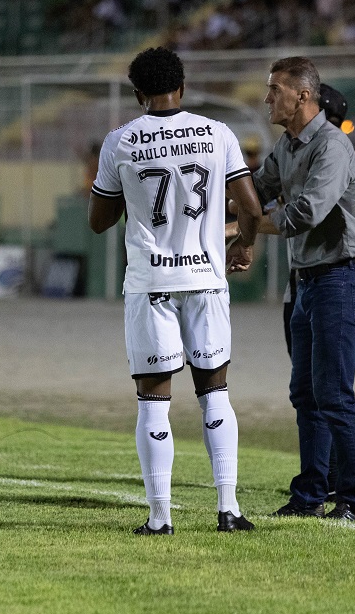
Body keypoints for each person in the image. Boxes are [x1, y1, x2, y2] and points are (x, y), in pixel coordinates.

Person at [89, 47, 263, 535]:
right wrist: (243, 248)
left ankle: (160, 516)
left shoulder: (120, 141)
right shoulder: (218, 133)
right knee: (215, 391)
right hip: (206, 280)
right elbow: (249, 210)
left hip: (151, 284)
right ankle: (228, 509)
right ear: (182, 87)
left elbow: (99, 222)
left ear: (139, 94)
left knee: (153, 400)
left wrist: (129, 193)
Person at [226, 82, 355, 502]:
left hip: (340, 278)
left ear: (303, 96)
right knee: (306, 394)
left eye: (275, 90)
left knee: (333, 395)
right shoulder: (288, 146)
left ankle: (351, 499)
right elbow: (255, 192)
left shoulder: (332, 147)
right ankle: (309, 494)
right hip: (307, 279)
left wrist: (241, 229)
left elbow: (305, 213)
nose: (267, 98)